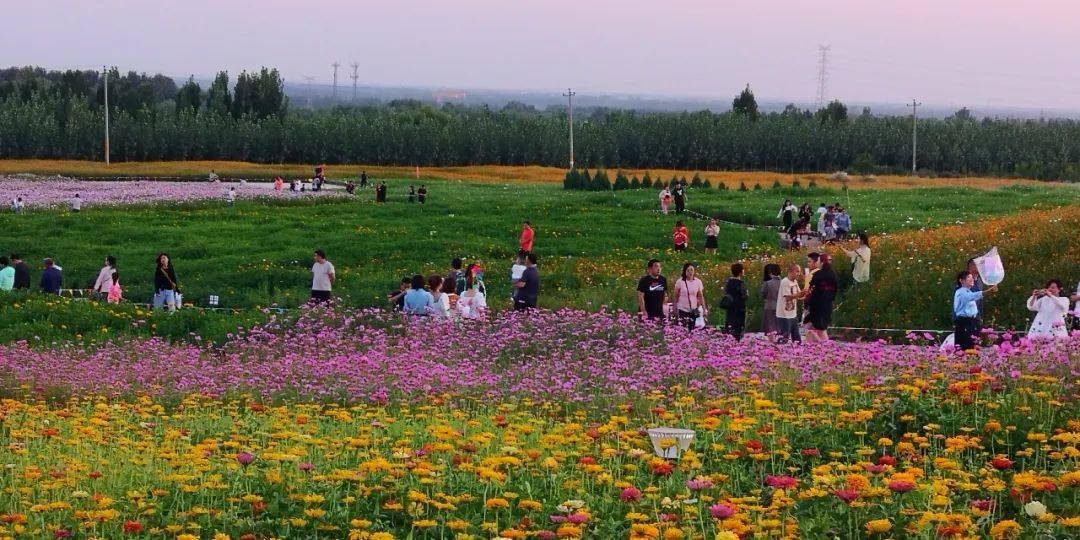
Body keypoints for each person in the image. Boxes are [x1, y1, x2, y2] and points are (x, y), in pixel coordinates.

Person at [953, 270, 997, 351]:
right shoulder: (960, 291)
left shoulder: (969, 291)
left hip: (972, 321)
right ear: (961, 280)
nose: (972, 279)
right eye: (969, 277)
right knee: (965, 347)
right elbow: (972, 296)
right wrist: (989, 291)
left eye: (972, 277)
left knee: (974, 345)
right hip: (964, 322)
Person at [804, 254, 838, 342]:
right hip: (828, 305)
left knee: (820, 329)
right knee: (820, 329)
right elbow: (835, 290)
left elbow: (811, 292)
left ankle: (824, 348)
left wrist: (807, 303)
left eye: (818, 261)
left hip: (817, 307)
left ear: (822, 262)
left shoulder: (818, 275)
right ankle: (815, 348)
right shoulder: (833, 274)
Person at [673, 262, 707, 330]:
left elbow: (700, 296)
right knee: (682, 328)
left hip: (694, 309)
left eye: (692, 270)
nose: (690, 272)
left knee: (693, 328)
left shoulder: (698, 282)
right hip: (682, 308)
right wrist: (675, 307)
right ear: (685, 271)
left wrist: (704, 308)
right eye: (688, 270)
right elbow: (676, 296)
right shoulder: (680, 282)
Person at [776, 263, 803, 343]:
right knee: (784, 338)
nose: (798, 274)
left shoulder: (795, 282)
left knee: (797, 339)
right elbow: (787, 297)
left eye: (799, 271)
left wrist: (805, 293)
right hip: (784, 315)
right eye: (797, 271)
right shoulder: (785, 282)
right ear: (790, 271)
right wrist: (800, 294)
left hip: (792, 314)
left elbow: (799, 295)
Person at [722, 263, 748, 340]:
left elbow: (726, 292)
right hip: (739, 308)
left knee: (730, 324)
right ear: (740, 272)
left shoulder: (728, 282)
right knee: (738, 327)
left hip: (730, 307)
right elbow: (744, 296)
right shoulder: (741, 283)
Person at [760, 263, 782, 336]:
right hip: (780, 307)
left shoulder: (767, 283)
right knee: (779, 326)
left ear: (771, 272)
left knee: (770, 327)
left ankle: (771, 343)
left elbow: (763, 294)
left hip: (769, 306)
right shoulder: (783, 282)